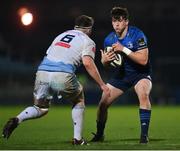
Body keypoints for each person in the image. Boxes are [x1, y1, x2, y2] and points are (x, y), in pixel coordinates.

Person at [2, 15, 110, 145]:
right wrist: (102, 84)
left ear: (76, 26)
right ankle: (78, 139)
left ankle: (17, 119)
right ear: (89, 29)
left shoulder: (61, 35)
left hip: (42, 73)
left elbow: (50, 53)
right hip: (61, 75)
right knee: (78, 100)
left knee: (40, 108)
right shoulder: (88, 40)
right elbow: (88, 63)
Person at [91, 6, 152, 144]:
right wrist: (104, 61)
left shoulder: (138, 35)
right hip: (122, 76)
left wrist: (123, 49)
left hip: (140, 74)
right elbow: (108, 65)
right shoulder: (109, 39)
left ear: (126, 22)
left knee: (143, 94)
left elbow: (143, 60)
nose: (116, 24)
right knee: (102, 103)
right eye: (114, 21)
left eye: (119, 20)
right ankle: (100, 134)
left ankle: (144, 136)